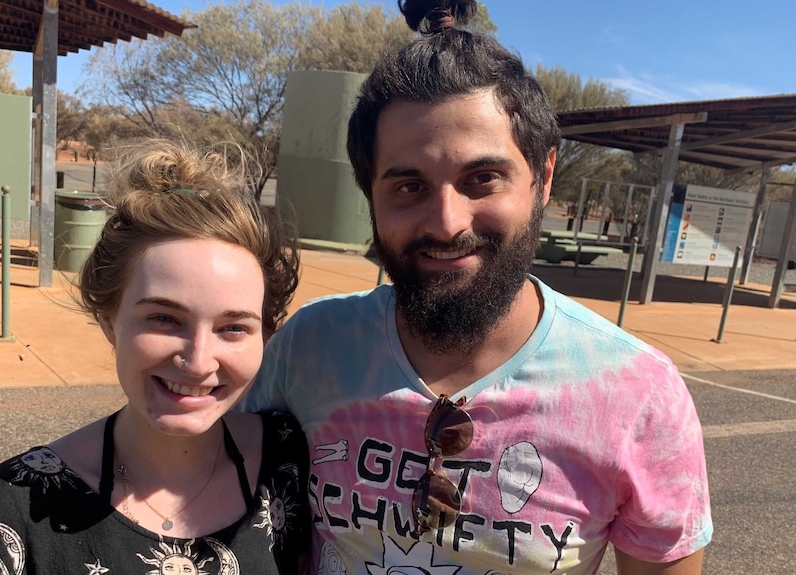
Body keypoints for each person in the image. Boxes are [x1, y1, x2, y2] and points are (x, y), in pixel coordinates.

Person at [240, 1, 712, 574]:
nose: (447, 222)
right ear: (370, 194)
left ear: (543, 176)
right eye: (408, 186)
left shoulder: (640, 395)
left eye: (481, 178)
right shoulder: (308, 348)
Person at [0, 139, 310, 574]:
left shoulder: (289, 466)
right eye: (165, 319)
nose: (200, 360)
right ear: (109, 318)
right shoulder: (4, 519)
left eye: (233, 327)